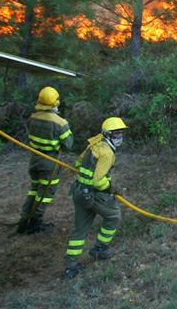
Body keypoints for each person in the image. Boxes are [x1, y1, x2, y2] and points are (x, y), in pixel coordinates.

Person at [64, 117, 128, 279]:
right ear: (108, 134)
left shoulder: (94, 144)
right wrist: (112, 188)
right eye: (117, 133)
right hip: (94, 194)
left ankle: (70, 266)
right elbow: (98, 181)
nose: (120, 136)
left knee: (80, 229)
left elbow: (78, 163)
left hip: (79, 192)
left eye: (121, 132)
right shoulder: (107, 152)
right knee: (113, 216)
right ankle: (100, 248)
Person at [17, 86, 73, 234]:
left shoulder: (32, 118)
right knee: (45, 193)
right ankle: (35, 223)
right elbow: (68, 145)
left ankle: (24, 220)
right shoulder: (61, 123)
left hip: (34, 159)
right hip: (50, 162)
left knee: (34, 190)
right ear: (56, 102)